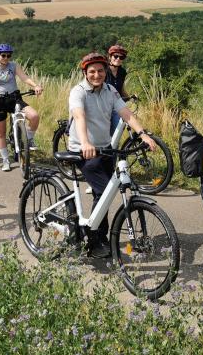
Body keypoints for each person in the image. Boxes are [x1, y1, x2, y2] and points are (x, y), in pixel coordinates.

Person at [67, 52, 157, 258]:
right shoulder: (78, 92)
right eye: (92, 71)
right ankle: (95, 239)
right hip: (83, 150)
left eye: (100, 71)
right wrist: (85, 142)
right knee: (103, 190)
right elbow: (79, 116)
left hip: (105, 148)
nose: (96, 75)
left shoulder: (110, 91)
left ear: (106, 71)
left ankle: (98, 235)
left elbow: (126, 114)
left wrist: (142, 134)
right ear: (85, 73)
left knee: (105, 192)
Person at [0, 43, 43, 172]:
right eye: (3, 55)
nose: (6, 58)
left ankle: (28, 139)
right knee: (0, 132)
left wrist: (35, 86)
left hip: (14, 98)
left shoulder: (14, 66)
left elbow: (24, 78)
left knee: (34, 116)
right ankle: (5, 160)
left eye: (8, 55)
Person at [106, 44, 131, 134]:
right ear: (110, 57)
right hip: (105, 106)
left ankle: (112, 147)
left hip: (117, 106)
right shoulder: (104, 71)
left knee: (118, 130)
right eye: (115, 56)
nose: (118, 59)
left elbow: (121, 88)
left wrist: (130, 97)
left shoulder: (122, 72)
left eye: (121, 57)